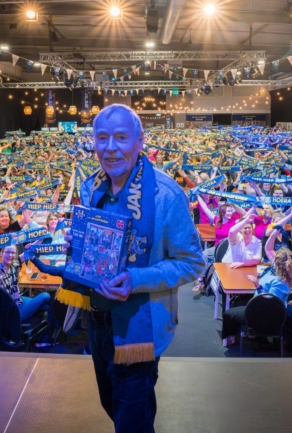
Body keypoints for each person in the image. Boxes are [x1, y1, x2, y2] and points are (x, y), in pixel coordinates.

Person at [76, 104, 205, 432]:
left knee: (132, 421)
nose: (110, 147)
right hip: (98, 321)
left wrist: (135, 279)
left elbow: (191, 263)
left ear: (139, 141)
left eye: (121, 137)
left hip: (140, 329)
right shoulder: (90, 188)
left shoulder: (167, 195)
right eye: (102, 137)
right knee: (112, 405)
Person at [221, 248, 292, 346]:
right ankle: (249, 333)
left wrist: (258, 286)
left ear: (277, 262)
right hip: (262, 306)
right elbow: (268, 249)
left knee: (228, 314)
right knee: (237, 302)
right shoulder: (279, 272)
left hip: (264, 315)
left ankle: (232, 337)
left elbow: (270, 303)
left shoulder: (279, 283)